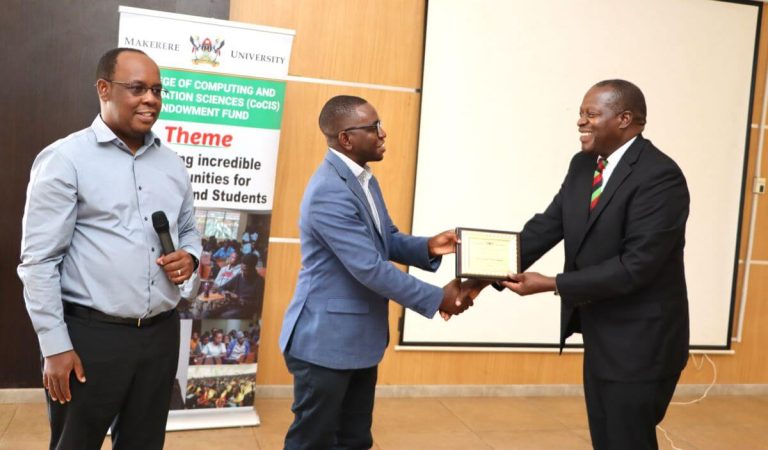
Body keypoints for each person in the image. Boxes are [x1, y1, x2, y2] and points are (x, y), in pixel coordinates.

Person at [461, 80, 690, 450]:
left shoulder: (660, 176)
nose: (580, 121)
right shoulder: (584, 165)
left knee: (627, 440)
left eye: (591, 114)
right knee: (606, 439)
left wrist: (553, 283)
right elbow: (546, 228)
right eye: (581, 113)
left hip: (642, 342)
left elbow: (636, 266)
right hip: (601, 334)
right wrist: (478, 278)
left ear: (624, 119)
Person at [17, 47, 201, 450]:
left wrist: (190, 257)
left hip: (160, 335)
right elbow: (39, 262)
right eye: (137, 88)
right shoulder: (65, 159)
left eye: (157, 90)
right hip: (90, 339)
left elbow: (189, 229)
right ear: (103, 89)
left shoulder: (172, 164)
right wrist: (55, 346)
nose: (150, 99)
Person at [278, 95, 469, 450]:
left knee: (353, 439)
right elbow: (369, 268)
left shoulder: (364, 179)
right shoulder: (329, 191)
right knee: (312, 442)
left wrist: (428, 246)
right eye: (374, 127)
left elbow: (386, 239)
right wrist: (438, 297)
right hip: (326, 341)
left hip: (357, 339)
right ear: (346, 139)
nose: (383, 133)